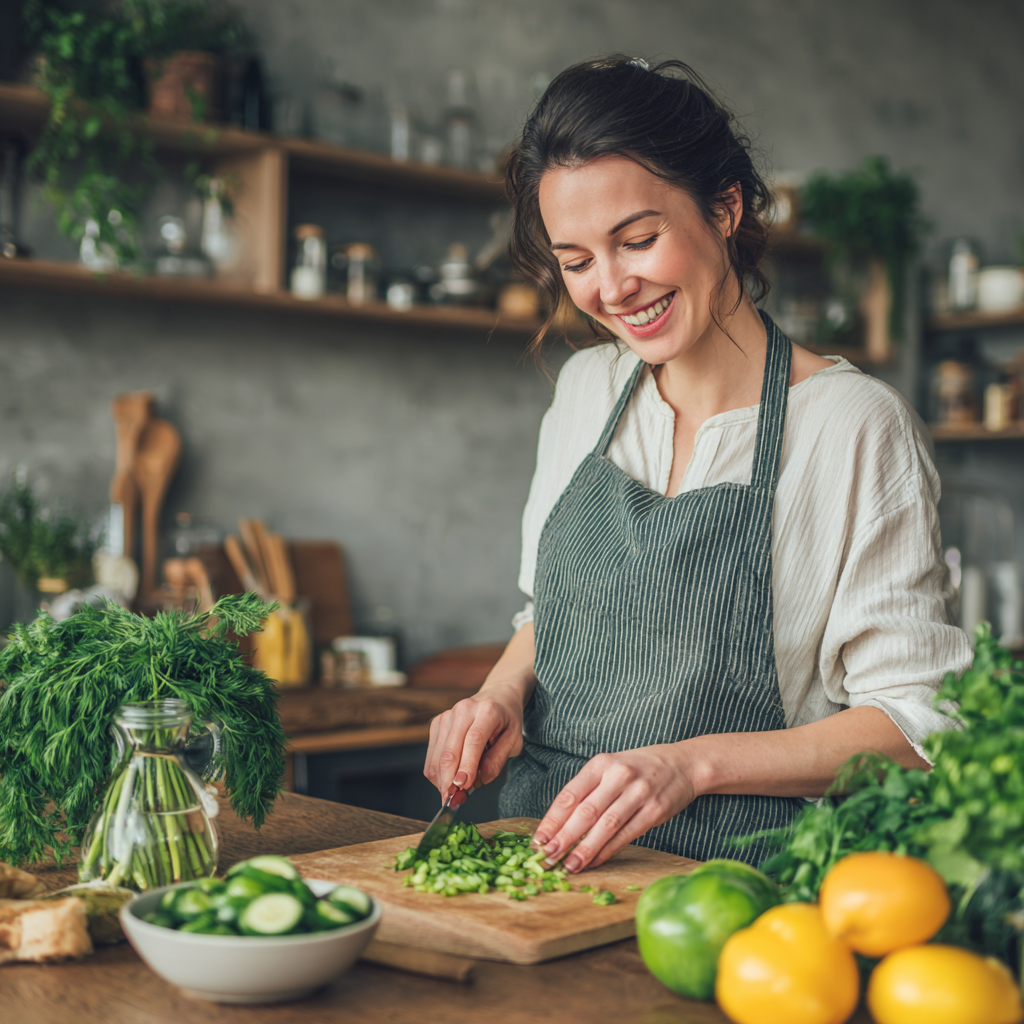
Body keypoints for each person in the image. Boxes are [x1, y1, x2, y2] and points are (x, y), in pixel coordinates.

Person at [423, 55, 971, 873]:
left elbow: (916, 723)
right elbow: (553, 613)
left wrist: (689, 765)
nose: (611, 288)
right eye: (576, 261)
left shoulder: (853, 426)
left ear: (724, 207)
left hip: (742, 891)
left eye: (637, 240)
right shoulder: (585, 389)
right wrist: (500, 694)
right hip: (543, 868)